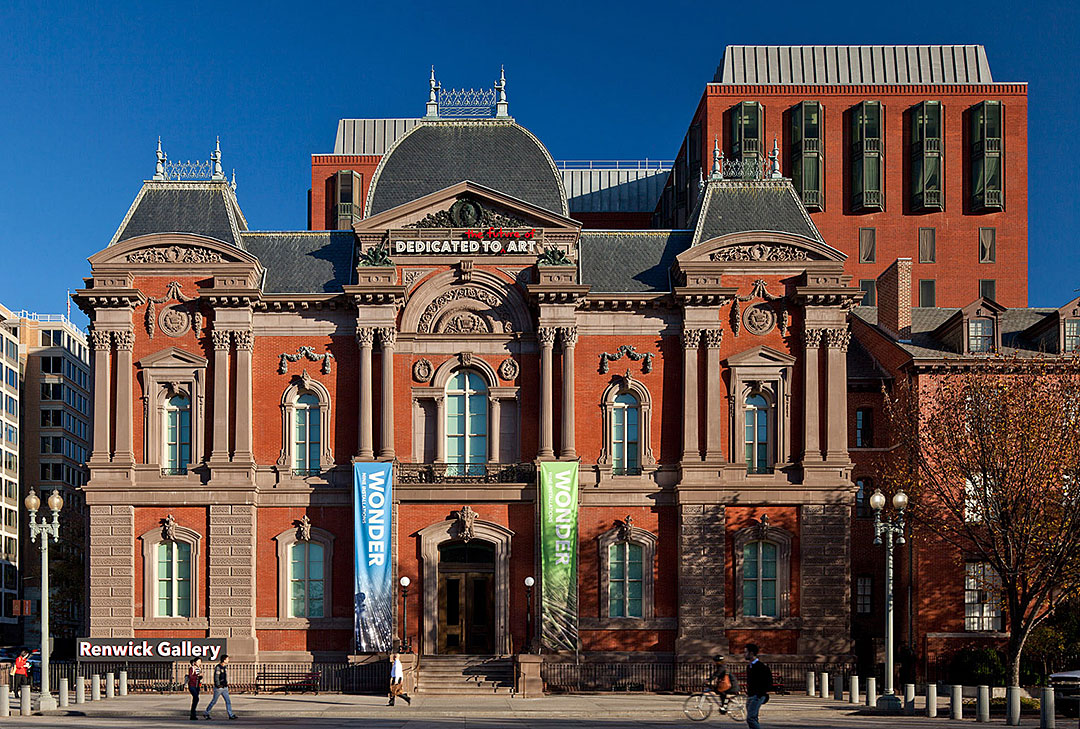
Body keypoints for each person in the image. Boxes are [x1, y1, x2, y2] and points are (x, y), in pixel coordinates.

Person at [743, 643, 773, 729]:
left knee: (750, 718)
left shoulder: (761, 667)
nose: (744, 654)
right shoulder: (750, 667)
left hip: (757, 695)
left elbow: (768, 681)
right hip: (751, 695)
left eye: (746, 652)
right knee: (753, 717)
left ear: (751, 653)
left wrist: (761, 693)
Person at [203, 654, 236, 720]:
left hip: (224, 687)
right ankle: (206, 713)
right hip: (219, 688)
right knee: (214, 701)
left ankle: (230, 714)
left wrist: (226, 684)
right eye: (227, 659)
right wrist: (218, 685)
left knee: (228, 701)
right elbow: (216, 677)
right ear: (224, 660)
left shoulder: (224, 667)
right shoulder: (218, 667)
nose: (228, 660)